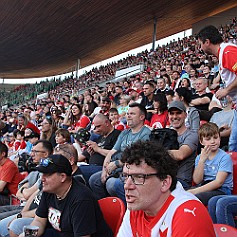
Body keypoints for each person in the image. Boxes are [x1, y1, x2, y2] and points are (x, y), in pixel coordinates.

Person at [117, 140, 216, 237]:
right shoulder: (137, 206)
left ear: (164, 182)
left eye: (139, 177)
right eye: (126, 176)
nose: (127, 185)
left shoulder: (188, 213)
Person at [18, 154, 113, 237]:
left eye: (47, 174)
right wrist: (28, 235)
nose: (42, 178)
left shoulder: (81, 199)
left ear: (62, 177)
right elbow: (39, 221)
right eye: (42, 174)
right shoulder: (49, 190)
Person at [89, 103, 151, 202]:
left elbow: (138, 157)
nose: (128, 116)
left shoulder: (146, 133)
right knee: (94, 180)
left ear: (141, 117)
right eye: (128, 113)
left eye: (132, 114)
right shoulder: (125, 133)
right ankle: (108, 207)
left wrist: (117, 163)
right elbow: (111, 153)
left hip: (133, 170)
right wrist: (105, 170)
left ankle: (129, 209)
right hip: (118, 169)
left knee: (111, 184)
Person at [197, 25, 237, 151]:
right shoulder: (223, 53)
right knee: (233, 145)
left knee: (233, 146)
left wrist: (226, 90)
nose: (200, 48)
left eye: (200, 44)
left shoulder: (227, 51)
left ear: (207, 42)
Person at [188, 122, 233, 205]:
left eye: (215, 138)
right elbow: (197, 180)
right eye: (208, 139)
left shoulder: (224, 157)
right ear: (201, 142)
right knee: (183, 195)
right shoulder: (200, 157)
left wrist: (195, 191)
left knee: (196, 197)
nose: (213, 141)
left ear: (219, 138)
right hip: (205, 186)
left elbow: (219, 182)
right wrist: (202, 161)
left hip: (222, 189)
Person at [78, 114, 121, 183]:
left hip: (103, 168)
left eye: (98, 126)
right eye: (95, 127)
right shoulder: (100, 137)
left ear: (107, 123)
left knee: (78, 171)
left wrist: (98, 149)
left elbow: (117, 154)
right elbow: (82, 156)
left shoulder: (118, 135)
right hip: (91, 166)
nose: (97, 130)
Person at [168, 101, 198, 189]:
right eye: (172, 114)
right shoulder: (165, 134)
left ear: (185, 115)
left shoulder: (192, 134)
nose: (175, 116)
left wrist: (155, 152)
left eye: (178, 113)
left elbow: (181, 155)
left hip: (181, 182)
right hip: (164, 179)